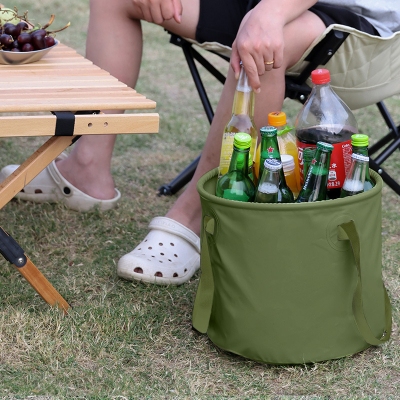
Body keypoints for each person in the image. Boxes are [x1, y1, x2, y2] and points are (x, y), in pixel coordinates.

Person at [1, 0, 399, 285]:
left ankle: (196, 214)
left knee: (271, 40)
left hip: (365, 27)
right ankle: (87, 168)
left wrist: (270, 13)